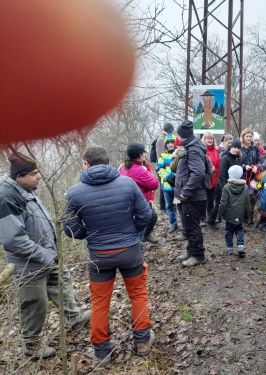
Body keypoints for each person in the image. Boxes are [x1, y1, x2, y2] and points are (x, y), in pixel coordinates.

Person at [64, 147, 154, 365]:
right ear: (108, 161)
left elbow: (70, 228)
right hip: (129, 251)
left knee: (100, 302)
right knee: (138, 294)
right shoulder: (127, 183)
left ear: (86, 163)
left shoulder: (75, 192)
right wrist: (132, 232)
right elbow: (146, 214)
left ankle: (102, 352)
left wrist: (90, 235)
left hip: (99, 255)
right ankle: (142, 342)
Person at [0, 153, 90, 359]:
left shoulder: (25, 188)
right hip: (28, 263)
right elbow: (13, 240)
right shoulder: (6, 198)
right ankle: (31, 346)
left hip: (47, 255)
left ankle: (75, 319)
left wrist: (50, 253)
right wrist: (44, 254)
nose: (39, 176)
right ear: (19, 177)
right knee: (35, 302)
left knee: (62, 283)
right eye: (33, 174)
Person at [174, 120, 208, 267]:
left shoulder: (193, 150)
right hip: (189, 196)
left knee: (193, 226)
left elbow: (198, 174)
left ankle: (198, 255)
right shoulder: (189, 147)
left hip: (193, 196)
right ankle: (190, 251)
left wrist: (185, 192)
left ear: (182, 136)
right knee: (188, 225)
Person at [119, 143, 159, 243]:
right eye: (144, 153)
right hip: (137, 204)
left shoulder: (123, 166)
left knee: (153, 216)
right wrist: (146, 171)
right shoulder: (138, 170)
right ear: (140, 155)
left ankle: (145, 235)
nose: (145, 154)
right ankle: (138, 244)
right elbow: (155, 184)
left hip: (125, 203)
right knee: (140, 227)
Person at [217, 165, 251, 258]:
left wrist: (219, 215)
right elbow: (247, 202)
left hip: (229, 215)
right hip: (240, 214)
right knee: (239, 229)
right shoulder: (245, 187)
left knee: (229, 230)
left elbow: (223, 203)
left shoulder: (226, 187)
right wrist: (249, 215)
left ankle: (229, 248)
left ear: (230, 175)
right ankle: (241, 246)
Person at [208, 138, 242, 228]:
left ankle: (231, 223)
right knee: (219, 204)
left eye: (238, 148)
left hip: (233, 185)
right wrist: (225, 189)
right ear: (231, 147)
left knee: (230, 205)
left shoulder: (238, 158)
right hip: (222, 186)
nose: (236, 149)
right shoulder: (225, 157)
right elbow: (222, 176)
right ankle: (211, 220)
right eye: (235, 147)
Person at [157, 133, 178, 232]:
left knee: (179, 206)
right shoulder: (162, 156)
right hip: (166, 186)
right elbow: (159, 169)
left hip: (177, 187)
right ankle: (173, 224)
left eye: (172, 142)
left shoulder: (179, 154)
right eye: (168, 143)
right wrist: (168, 177)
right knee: (169, 206)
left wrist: (175, 177)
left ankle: (182, 224)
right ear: (165, 144)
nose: (170, 144)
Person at [152, 122, 175, 211]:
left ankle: (165, 206)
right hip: (162, 166)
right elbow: (160, 155)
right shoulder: (162, 139)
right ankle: (163, 207)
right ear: (169, 130)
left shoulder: (164, 138)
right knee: (163, 185)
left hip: (165, 166)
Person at [240, 128, 261, 224]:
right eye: (247, 136)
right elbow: (235, 162)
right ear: (243, 137)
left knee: (253, 196)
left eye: (250, 136)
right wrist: (244, 167)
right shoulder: (239, 148)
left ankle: (250, 217)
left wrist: (257, 167)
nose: (248, 138)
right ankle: (243, 216)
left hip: (253, 176)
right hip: (242, 176)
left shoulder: (255, 148)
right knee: (243, 196)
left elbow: (260, 160)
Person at [202, 131, 221, 226]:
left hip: (216, 179)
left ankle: (211, 218)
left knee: (213, 200)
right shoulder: (202, 151)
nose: (210, 140)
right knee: (206, 200)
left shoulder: (217, 151)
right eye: (208, 138)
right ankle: (205, 218)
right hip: (205, 179)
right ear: (204, 140)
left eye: (211, 138)